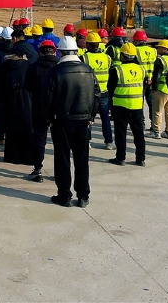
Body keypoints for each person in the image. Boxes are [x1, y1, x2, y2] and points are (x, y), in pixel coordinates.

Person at [41, 37, 99, 208]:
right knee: (82, 159)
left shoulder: (55, 71)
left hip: (61, 121)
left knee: (62, 159)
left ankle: (64, 195)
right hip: (83, 121)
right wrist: (91, 116)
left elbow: (47, 97)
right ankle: (83, 196)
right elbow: (96, 94)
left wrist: (48, 118)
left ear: (60, 52)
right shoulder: (88, 70)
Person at [24, 40, 58, 182]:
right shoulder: (60, 67)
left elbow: (27, 86)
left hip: (39, 107)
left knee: (39, 139)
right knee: (59, 142)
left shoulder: (33, 67)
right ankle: (60, 171)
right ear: (54, 52)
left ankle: (37, 170)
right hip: (57, 109)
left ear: (40, 52)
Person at [108, 43, 147, 166]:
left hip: (121, 106)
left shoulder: (117, 70)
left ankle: (120, 158)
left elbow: (110, 88)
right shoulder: (141, 69)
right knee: (138, 133)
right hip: (137, 106)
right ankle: (140, 159)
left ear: (122, 56)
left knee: (121, 133)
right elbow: (144, 86)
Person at [0, 46, 33, 165]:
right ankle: (27, 157)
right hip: (25, 97)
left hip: (9, 97)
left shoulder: (4, 66)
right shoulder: (28, 65)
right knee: (27, 127)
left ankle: (11, 156)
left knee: (11, 128)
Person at [81, 32, 113, 149]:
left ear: (88, 44)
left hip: (89, 93)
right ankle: (109, 142)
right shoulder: (107, 58)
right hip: (104, 92)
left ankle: (87, 141)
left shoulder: (84, 58)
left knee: (88, 118)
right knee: (105, 118)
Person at [150, 40, 168, 140]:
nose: (157, 49)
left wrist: (154, 87)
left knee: (157, 111)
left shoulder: (160, 60)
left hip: (161, 89)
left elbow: (157, 76)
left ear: (165, 49)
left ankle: (156, 131)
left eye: (159, 47)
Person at [133, 30, 156, 131]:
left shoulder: (135, 50)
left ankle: (141, 124)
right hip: (151, 80)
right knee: (151, 103)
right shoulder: (153, 50)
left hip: (140, 80)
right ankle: (154, 124)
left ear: (136, 41)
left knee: (139, 103)